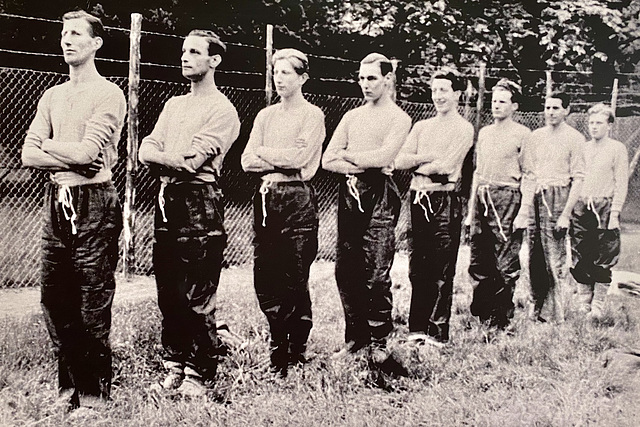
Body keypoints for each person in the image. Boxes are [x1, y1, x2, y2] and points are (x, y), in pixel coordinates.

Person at [21, 10, 126, 410]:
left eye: (77, 34)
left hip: (95, 202)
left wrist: (54, 147)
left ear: (96, 43)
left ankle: (96, 393)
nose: (67, 40)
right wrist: (61, 153)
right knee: (54, 295)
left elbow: (89, 153)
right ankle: (68, 390)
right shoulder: (52, 96)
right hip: (57, 202)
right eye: (63, 33)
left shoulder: (108, 93)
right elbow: (29, 153)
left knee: (92, 296)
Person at [138, 30, 240, 396]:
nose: (185, 57)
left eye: (195, 52)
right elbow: (144, 149)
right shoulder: (173, 105)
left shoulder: (222, 109)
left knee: (197, 290)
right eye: (184, 51)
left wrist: (164, 159)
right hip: (167, 201)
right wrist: (169, 159)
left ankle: (198, 373)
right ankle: (174, 365)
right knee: (169, 289)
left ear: (214, 60)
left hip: (199, 202)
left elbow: (194, 163)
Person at [241, 49, 326, 375]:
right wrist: (275, 155)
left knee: (294, 274)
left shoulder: (312, 115)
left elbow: (299, 161)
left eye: (287, 72)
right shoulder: (266, 116)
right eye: (276, 71)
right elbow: (246, 160)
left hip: (296, 198)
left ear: (302, 77)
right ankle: (277, 344)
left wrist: (266, 152)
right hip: (266, 198)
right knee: (266, 274)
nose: (280, 78)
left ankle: (297, 348)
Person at [322, 53, 411, 358]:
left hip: (380, 195)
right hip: (349, 194)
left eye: (371, 78)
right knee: (346, 270)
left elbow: (384, 160)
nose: (365, 84)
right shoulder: (351, 117)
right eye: (361, 78)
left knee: (375, 271)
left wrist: (351, 157)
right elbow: (327, 159)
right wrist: (364, 160)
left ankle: (378, 341)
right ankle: (355, 338)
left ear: (388, 79)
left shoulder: (399, 118)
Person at [395, 68, 474, 347]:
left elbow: (446, 167)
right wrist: (427, 158)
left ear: (457, 93)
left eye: (444, 90)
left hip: (443, 201)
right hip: (417, 199)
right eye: (434, 90)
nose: (438, 96)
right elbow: (399, 161)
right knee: (418, 267)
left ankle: (437, 335)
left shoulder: (464, 128)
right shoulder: (421, 127)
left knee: (441, 269)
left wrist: (420, 164)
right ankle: (416, 330)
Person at [513, 91, 586, 323]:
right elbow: (528, 173)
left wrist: (565, 214)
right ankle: (536, 307)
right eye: (548, 107)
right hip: (535, 194)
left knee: (552, 256)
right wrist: (525, 206)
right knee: (533, 254)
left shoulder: (575, 138)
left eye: (556, 108)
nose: (551, 112)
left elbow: (579, 178)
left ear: (566, 110)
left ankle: (554, 314)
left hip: (558, 197)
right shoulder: (535, 136)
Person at [464, 79, 531, 329]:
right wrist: (471, 211)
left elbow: (530, 175)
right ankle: (481, 314)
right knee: (479, 259)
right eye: (494, 101)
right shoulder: (485, 133)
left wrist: (523, 212)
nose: (496, 106)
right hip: (483, 196)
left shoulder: (523, 134)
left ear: (514, 106)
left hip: (508, 198)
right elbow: (478, 174)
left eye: (502, 102)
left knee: (505, 262)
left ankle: (501, 318)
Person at [570, 103, 628, 318]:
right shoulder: (583, 148)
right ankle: (584, 302)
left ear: (609, 125)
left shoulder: (617, 149)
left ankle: (598, 306)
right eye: (591, 122)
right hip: (582, 206)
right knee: (580, 253)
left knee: (603, 255)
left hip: (604, 206)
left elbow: (621, 182)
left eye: (599, 123)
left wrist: (614, 213)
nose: (594, 127)